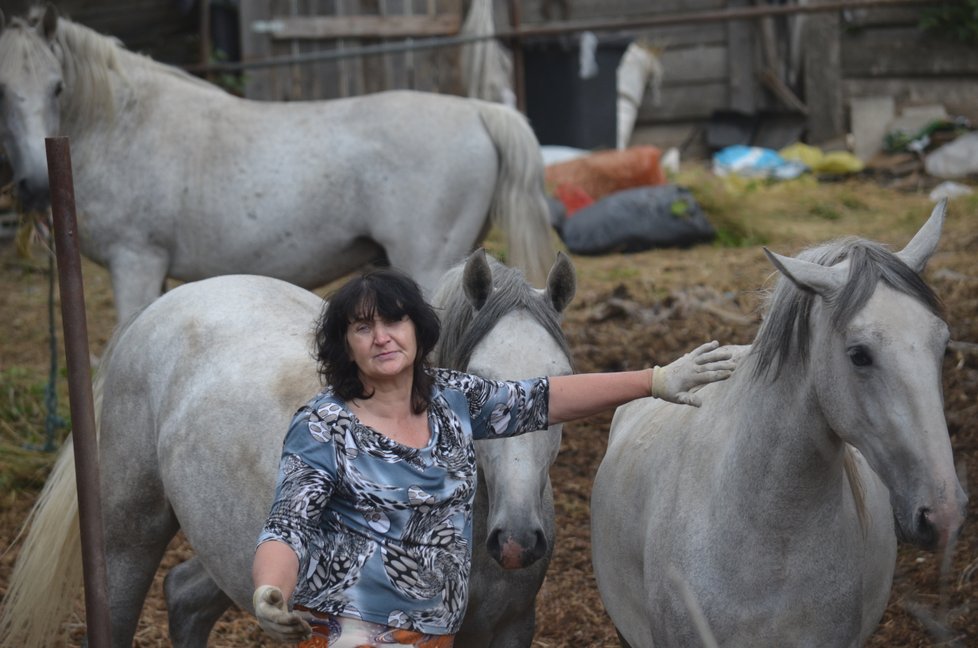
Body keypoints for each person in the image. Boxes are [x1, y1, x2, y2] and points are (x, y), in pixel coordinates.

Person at [252, 267, 737, 647]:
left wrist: (654, 380)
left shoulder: (453, 400)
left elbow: (546, 397)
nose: (382, 337)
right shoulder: (323, 424)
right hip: (348, 631)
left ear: (419, 330)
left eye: (394, 320)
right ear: (344, 346)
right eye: (363, 327)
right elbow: (288, 525)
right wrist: (269, 591)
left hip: (433, 634)